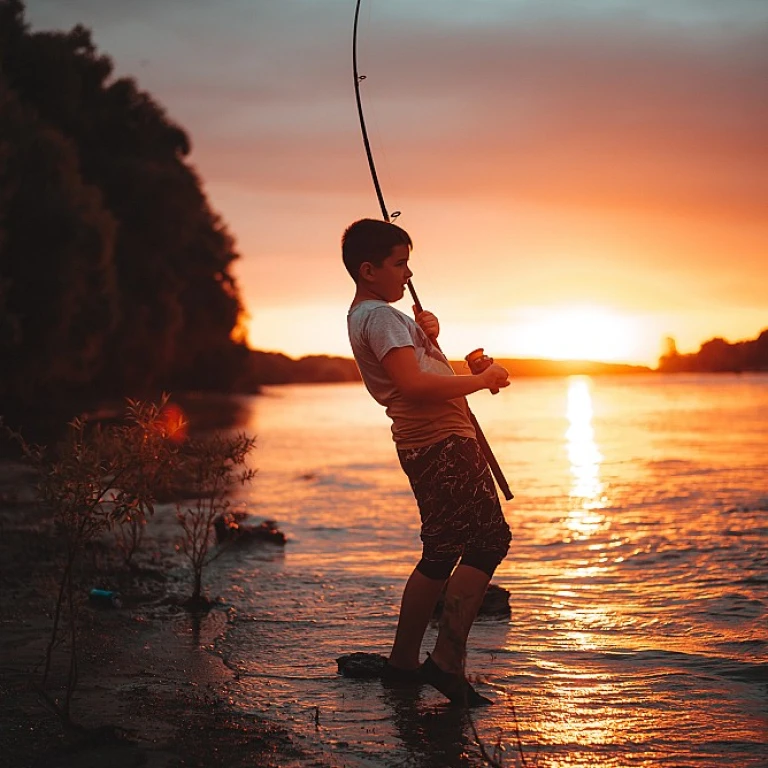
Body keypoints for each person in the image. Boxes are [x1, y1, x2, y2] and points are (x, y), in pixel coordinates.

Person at [342, 218, 512, 707]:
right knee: (488, 541)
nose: (407, 272)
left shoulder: (369, 317)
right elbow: (414, 387)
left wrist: (425, 337)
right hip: (443, 443)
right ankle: (446, 660)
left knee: (441, 552)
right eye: (399, 263)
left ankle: (402, 664)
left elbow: (420, 372)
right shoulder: (380, 318)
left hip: (427, 442)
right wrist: (481, 380)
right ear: (368, 270)